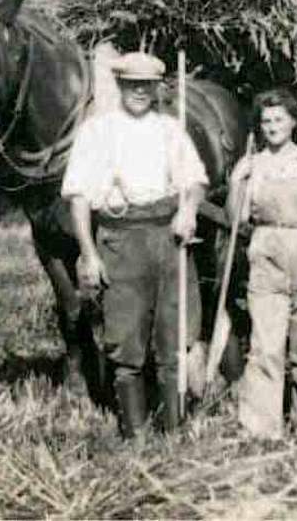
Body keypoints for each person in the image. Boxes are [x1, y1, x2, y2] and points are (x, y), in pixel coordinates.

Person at [61, 51, 209, 437]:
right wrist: (89, 254)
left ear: (157, 87)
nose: (139, 92)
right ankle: (136, 433)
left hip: (168, 239)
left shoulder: (170, 129)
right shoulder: (97, 131)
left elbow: (195, 181)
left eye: (147, 85)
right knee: (125, 342)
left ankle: (173, 430)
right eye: (131, 84)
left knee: (172, 339)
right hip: (120, 241)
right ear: (120, 85)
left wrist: (189, 209)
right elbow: (77, 197)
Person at [227, 88, 297, 441]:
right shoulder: (253, 166)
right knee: (266, 346)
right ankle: (261, 429)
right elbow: (236, 221)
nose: (272, 126)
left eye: (278, 119)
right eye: (266, 120)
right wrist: (234, 182)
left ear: (292, 122)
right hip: (266, 255)